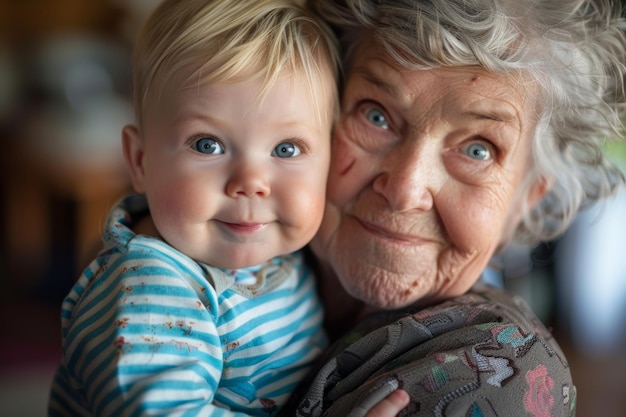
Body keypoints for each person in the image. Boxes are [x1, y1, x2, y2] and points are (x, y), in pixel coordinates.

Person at [280, 0, 626, 416]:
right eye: (376, 116)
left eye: (478, 150)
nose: (406, 190)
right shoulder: (208, 257)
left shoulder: (499, 375)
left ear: (526, 198)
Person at [48, 0, 341, 415]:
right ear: (140, 161)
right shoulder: (151, 290)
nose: (250, 184)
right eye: (208, 145)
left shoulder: (284, 252)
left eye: (287, 148)